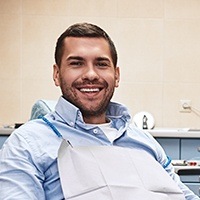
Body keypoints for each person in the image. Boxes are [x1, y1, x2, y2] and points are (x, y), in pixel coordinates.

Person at [0, 22, 199, 200]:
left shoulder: (145, 142)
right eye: (76, 63)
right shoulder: (27, 144)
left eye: (101, 64)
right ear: (57, 74)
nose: (91, 74)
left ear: (117, 75)